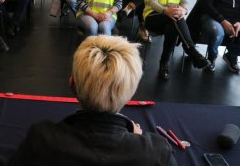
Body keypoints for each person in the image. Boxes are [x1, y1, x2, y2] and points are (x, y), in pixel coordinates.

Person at [9, 35, 177, 166]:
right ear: (131, 92)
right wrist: (141, 142)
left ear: (72, 84)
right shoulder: (157, 150)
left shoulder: (41, 137)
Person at [143, 0, 210, 80]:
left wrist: (183, 10)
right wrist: (166, 11)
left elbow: (185, 2)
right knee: (174, 20)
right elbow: (152, 2)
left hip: (172, 18)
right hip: (154, 15)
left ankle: (164, 64)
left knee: (171, 29)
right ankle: (191, 50)